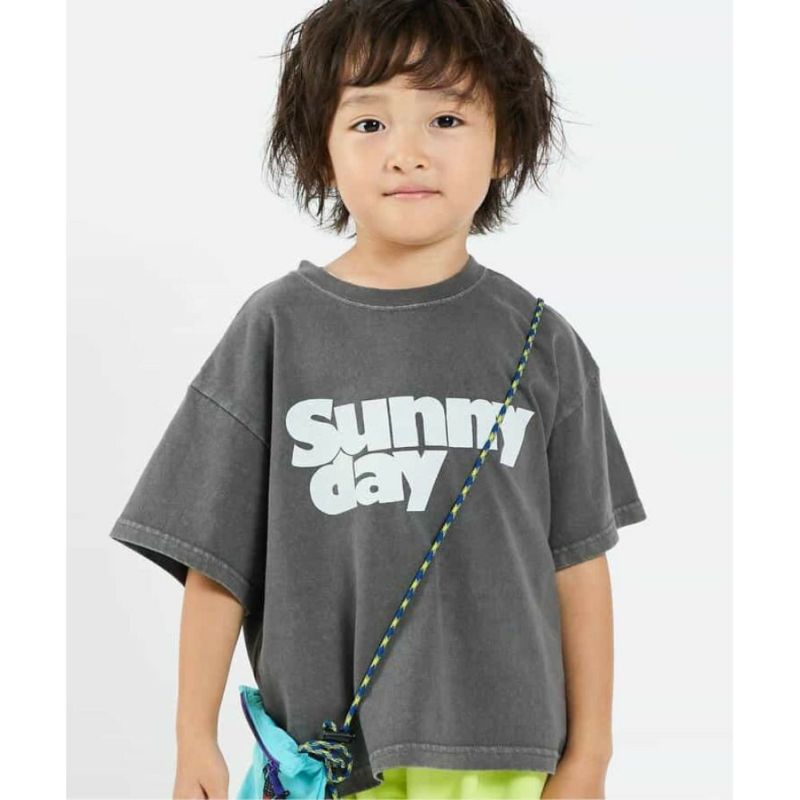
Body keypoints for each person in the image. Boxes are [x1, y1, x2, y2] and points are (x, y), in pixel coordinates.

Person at [108, 1, 648, 798]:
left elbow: (580, 567)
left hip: (506, 760)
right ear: (321, 151)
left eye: (446, 118)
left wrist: (590, 757)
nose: (407, 153)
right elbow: (215, 564)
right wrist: (194, 739)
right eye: (369, 123)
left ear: (505, 144)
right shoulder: (277, 330)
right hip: (330, 762)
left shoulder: (545, 344)